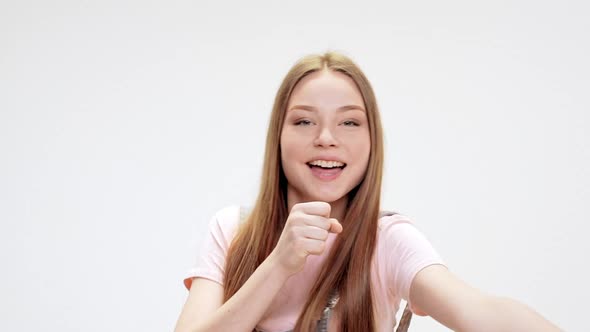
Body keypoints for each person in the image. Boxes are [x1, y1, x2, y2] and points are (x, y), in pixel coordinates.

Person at [174, 52, 562, 331]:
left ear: (372, 141)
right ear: (278, 136)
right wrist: (278, 265)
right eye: (305, 121)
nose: (326, 139)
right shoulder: (232, 230)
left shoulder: (388, 241)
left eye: (349, 123)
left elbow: (483, 313)